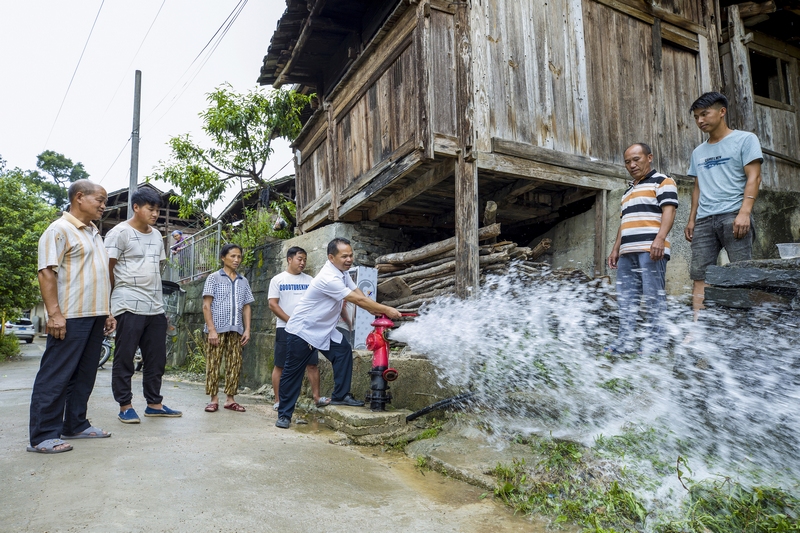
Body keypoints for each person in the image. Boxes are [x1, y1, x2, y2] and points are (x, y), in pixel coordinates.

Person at [275, 238, 402, 429]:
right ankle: (284, 415)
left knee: (343, 352)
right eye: (344, 256)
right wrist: (385, 308)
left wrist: (372, 308)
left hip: (324, 329)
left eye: (351, 255)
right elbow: (355, 300)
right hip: (303, 330)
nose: (349, 259)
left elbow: (357, 293)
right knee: (293, 373)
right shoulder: (328, 277)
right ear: (331, 257)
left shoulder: (341, 273)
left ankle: (340, 395)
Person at [28, 180, 116, 454]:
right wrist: (54, 314)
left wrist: (108, 311)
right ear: (79, 197)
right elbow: (46, 272)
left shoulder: (93, 232)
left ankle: (75, 424)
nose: (104, 205)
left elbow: (99, 274)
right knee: (56, 375)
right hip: (70, 315)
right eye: (100, 200)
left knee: (84, 374)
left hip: (95, 314)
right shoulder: (59, 230)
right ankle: (43, 435)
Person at [105, 187, 182, 424]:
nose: (155, 213)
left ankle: (154, 404)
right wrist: (108, 307)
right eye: (151, 209)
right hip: (128, 303)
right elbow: (107, 270)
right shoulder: (119, 233)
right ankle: (125, 405)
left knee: (156, 358)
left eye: (158, 209)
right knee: (125, 357)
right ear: (136, 207)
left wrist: (160, 306)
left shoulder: (157, 235)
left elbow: (156, 270)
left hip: (154, 306)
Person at [684, 92, 763, 317]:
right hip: (704, 220)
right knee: (699, 274)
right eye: (696, 117)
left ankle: (743, 324)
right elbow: (698, 187)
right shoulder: (698, 152)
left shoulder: (745, 139)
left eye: (704, 114)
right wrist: (692, 219)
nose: (700, 121)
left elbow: (754, 177)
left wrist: (744, 213)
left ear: (722, 111)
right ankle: (698, 326)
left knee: (742, 272)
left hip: (733, 215)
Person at [607, 143, 678, 356]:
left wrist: (660, 239)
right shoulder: (628, 191)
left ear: (649, 157)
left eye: (636, 159)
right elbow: (625, 223)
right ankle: (625, 342)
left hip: (651, 250)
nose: (632, 165)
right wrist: (615, 249)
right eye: (628, 161)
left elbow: (669, 212)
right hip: (627, 253)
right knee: (626, 299)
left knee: (653, 297)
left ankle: (655, 343)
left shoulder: (663, 181)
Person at [268, 246, 329, 411]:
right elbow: (273, 305)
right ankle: (278, 400)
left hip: (307, 330)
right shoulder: (278, 280)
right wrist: (291, 320)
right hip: (285, 328)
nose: (302, 263)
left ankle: (317, 397)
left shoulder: (310, 280)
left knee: (312, 364)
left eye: (304, 260)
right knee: (280, 365)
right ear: (289, 259)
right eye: (299, 259)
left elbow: (318, 302)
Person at [202, 244, 254, 413]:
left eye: (239, 256)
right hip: (216, 329)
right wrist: (211, 330)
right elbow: (206, 305)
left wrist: (247, 329)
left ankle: (230, 399)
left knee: (234, 365)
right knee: (214, 364)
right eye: (233, 256)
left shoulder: (243, 281)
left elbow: (247, 306)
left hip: (237, 329)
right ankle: (213, 399)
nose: (236, 260)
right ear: (223, 258)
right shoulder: (213, 278)